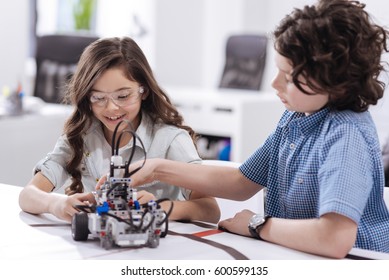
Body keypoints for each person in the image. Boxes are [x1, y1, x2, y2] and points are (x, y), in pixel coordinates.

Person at [126, 0, 389, 258]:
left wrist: (258, 225)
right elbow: (241, 183)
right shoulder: (294, 119)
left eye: (288, 76)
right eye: (277, 70)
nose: (274, 84)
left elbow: (334, 239)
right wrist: (158, 168)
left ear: (335, 81)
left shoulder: (345, 136)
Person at [18, 36, 220, 224]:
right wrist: (56, 204)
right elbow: (28, 195)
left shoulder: (169, 139)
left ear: (144, 91)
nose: (111, 108)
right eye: (98, 97)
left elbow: (210, 210)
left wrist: (158, 208)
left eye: (123, 96)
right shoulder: (81, 136)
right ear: (86, 97)